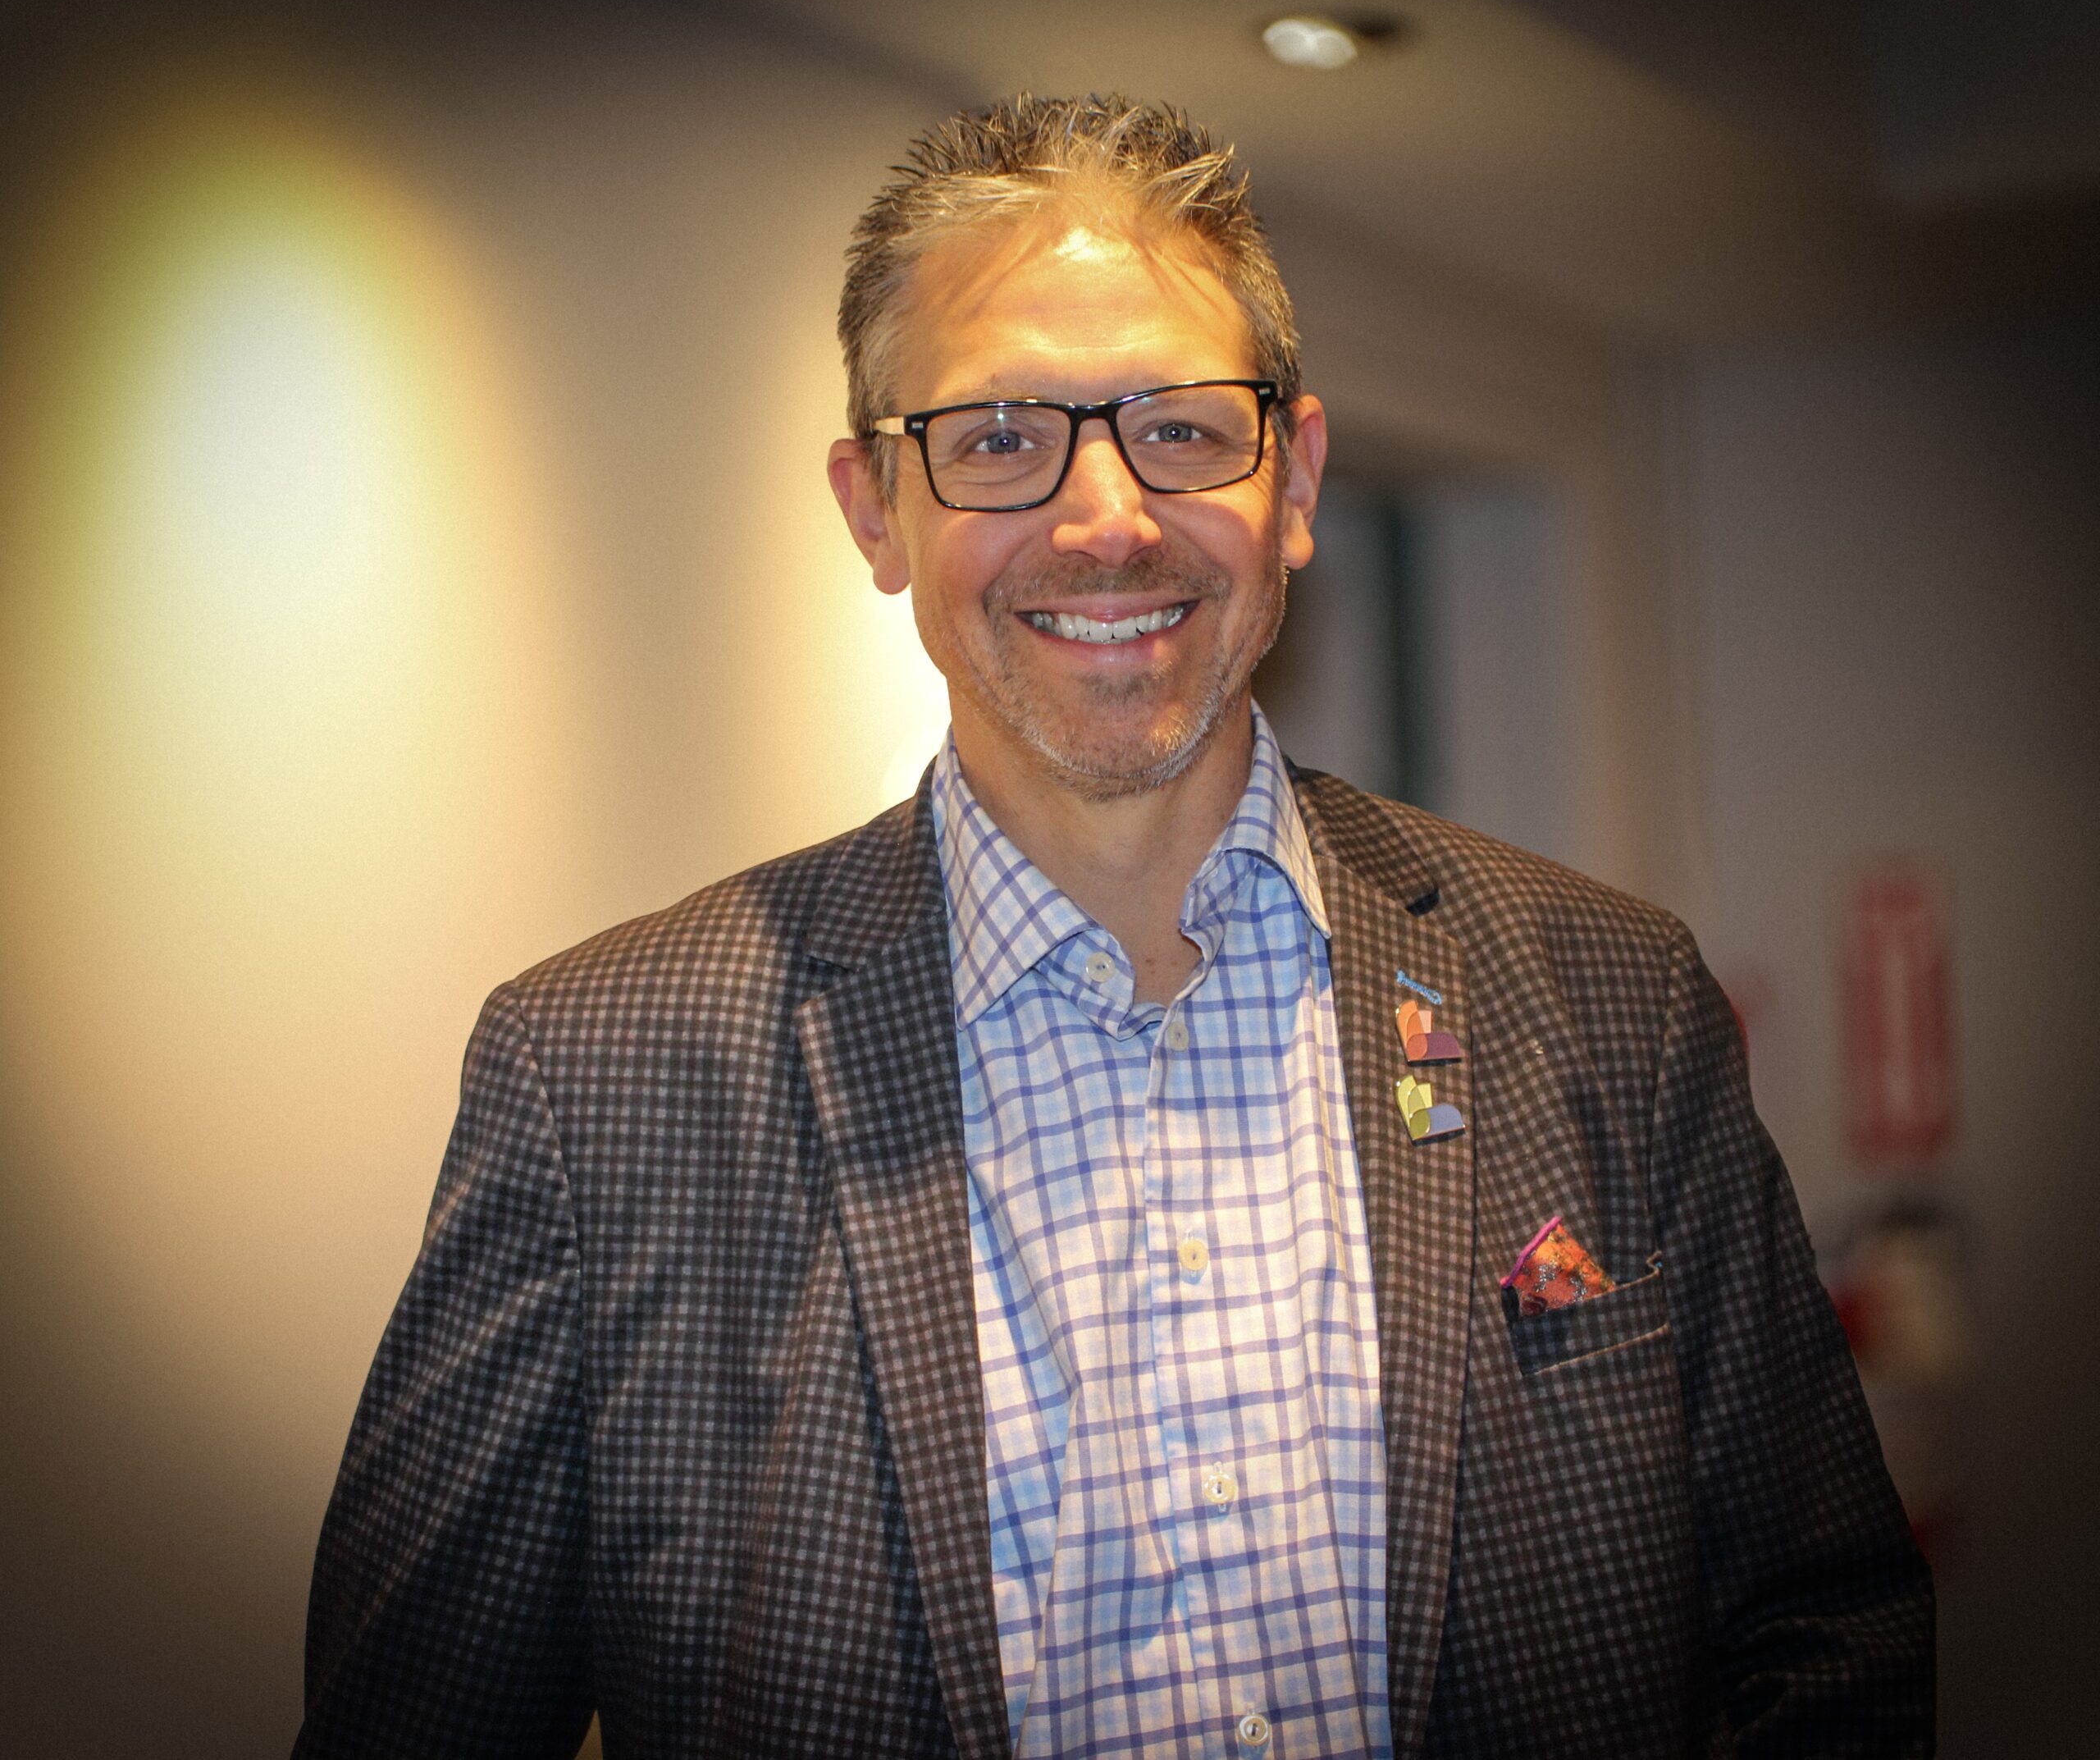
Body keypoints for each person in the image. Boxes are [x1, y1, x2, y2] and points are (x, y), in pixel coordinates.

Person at [294, 94, 1932, 1759]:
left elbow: (1825, 1638)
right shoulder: (604, 1083)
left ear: (1293, 478)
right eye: (999, 436)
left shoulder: (1609, 998)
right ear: (876, 511)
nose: (1107, 518)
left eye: (1182, 428)